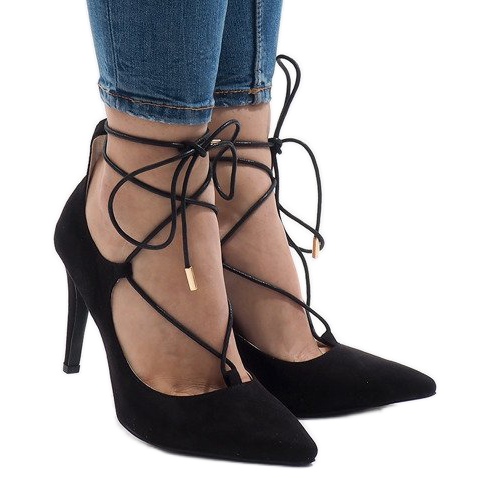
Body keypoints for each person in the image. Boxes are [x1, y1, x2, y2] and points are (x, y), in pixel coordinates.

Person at [54, 0, 436, 465]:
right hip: (145, 218)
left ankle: (223, 207)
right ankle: (140, 202)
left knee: (239, 128)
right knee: (163, 147)